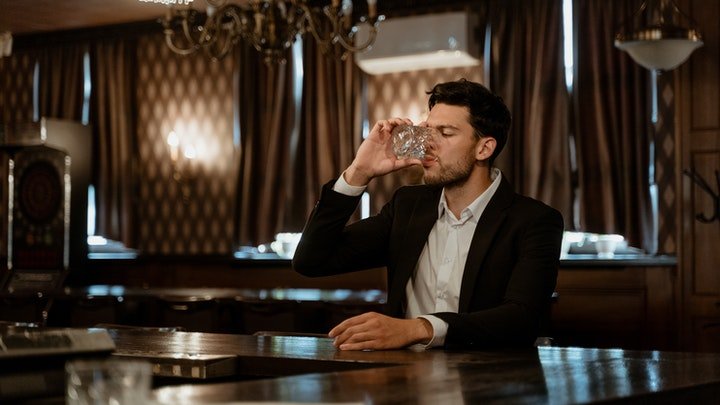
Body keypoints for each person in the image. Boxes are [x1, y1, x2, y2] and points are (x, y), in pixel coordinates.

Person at [293, 79, 563, 351]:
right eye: (427, 131)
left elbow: (522, 319)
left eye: (445, 133)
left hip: (486, 382)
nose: (428, 145)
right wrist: (359, 171)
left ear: (484, 148)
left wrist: (417, 328)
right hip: (404, 379)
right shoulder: (407, 206)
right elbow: (311, 260)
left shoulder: (535, 221)